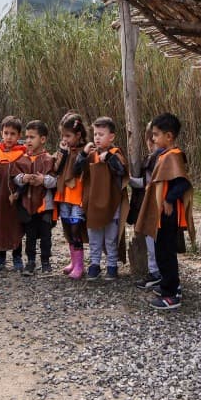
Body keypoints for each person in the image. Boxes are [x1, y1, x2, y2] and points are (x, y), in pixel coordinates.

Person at [135, 113, 195, 310]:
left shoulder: (173, 156)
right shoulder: (164, 155)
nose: (153, 139)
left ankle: (172, 294)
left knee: (167, 253)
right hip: (161, 216)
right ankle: (167, 285)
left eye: (156, 135)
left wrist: (169, 199)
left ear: (169, 136)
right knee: (161, 251)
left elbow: (183, 183)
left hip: (169, 216)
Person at [76, 116, 128, 281]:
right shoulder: (91, 155)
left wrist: (110, 159)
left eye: (101, 134)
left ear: (111, 136)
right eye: (95, 134)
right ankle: (95, 264)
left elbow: (122, 172)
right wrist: (83, 154)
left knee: (111, 237)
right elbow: (76, 170)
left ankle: (112, 265)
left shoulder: (115, 153)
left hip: (111, 203)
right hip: (93, 203)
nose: (97, 137)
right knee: (94, 236)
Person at [0, 116, 30, 271]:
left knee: (16, 225)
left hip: (16, 198)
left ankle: (17, 256)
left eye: (13, 133)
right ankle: (0, 256)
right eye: (6, 133)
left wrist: (19, 192)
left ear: (19, 135)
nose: (9, 137)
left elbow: (26, 178)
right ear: (1, 133)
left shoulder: (23, 154)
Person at [14, 120, 56, 275]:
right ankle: (30, 261)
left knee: (46, 235)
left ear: (43, 139)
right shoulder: (22, 159)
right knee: (30, 235)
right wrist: (23, 178)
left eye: (32, 137)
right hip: (27, 205)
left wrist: (43, 180)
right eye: (27, 137)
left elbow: (55, 181)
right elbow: (14, 178)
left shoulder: (49, 159)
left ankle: (46, 261)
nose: (28, 141)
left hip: (45, 205)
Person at [52, 111, 88, 279]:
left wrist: (81, 154)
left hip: (78, 196)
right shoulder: (65, 150)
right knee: (67, 226)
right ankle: (73, 261)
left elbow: (78, 170)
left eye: (68, 135)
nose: (64, 139)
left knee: (76, 229)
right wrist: (63, 153)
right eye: (62, 135)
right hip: (65, 195)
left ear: (78, 134)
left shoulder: (84, 151)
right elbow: (57, 170)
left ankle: (80, 265)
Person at [130, 123, 163, 289]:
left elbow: (149, 182)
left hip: (156, 207)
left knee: (155, 242)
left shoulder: (161, 158)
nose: (151, 143)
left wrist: (130, 181)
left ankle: (156, 273)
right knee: (151, 241)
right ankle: (155, 272)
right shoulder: (151, 157)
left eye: (154, 138)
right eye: (150, 138)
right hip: (150, 206)